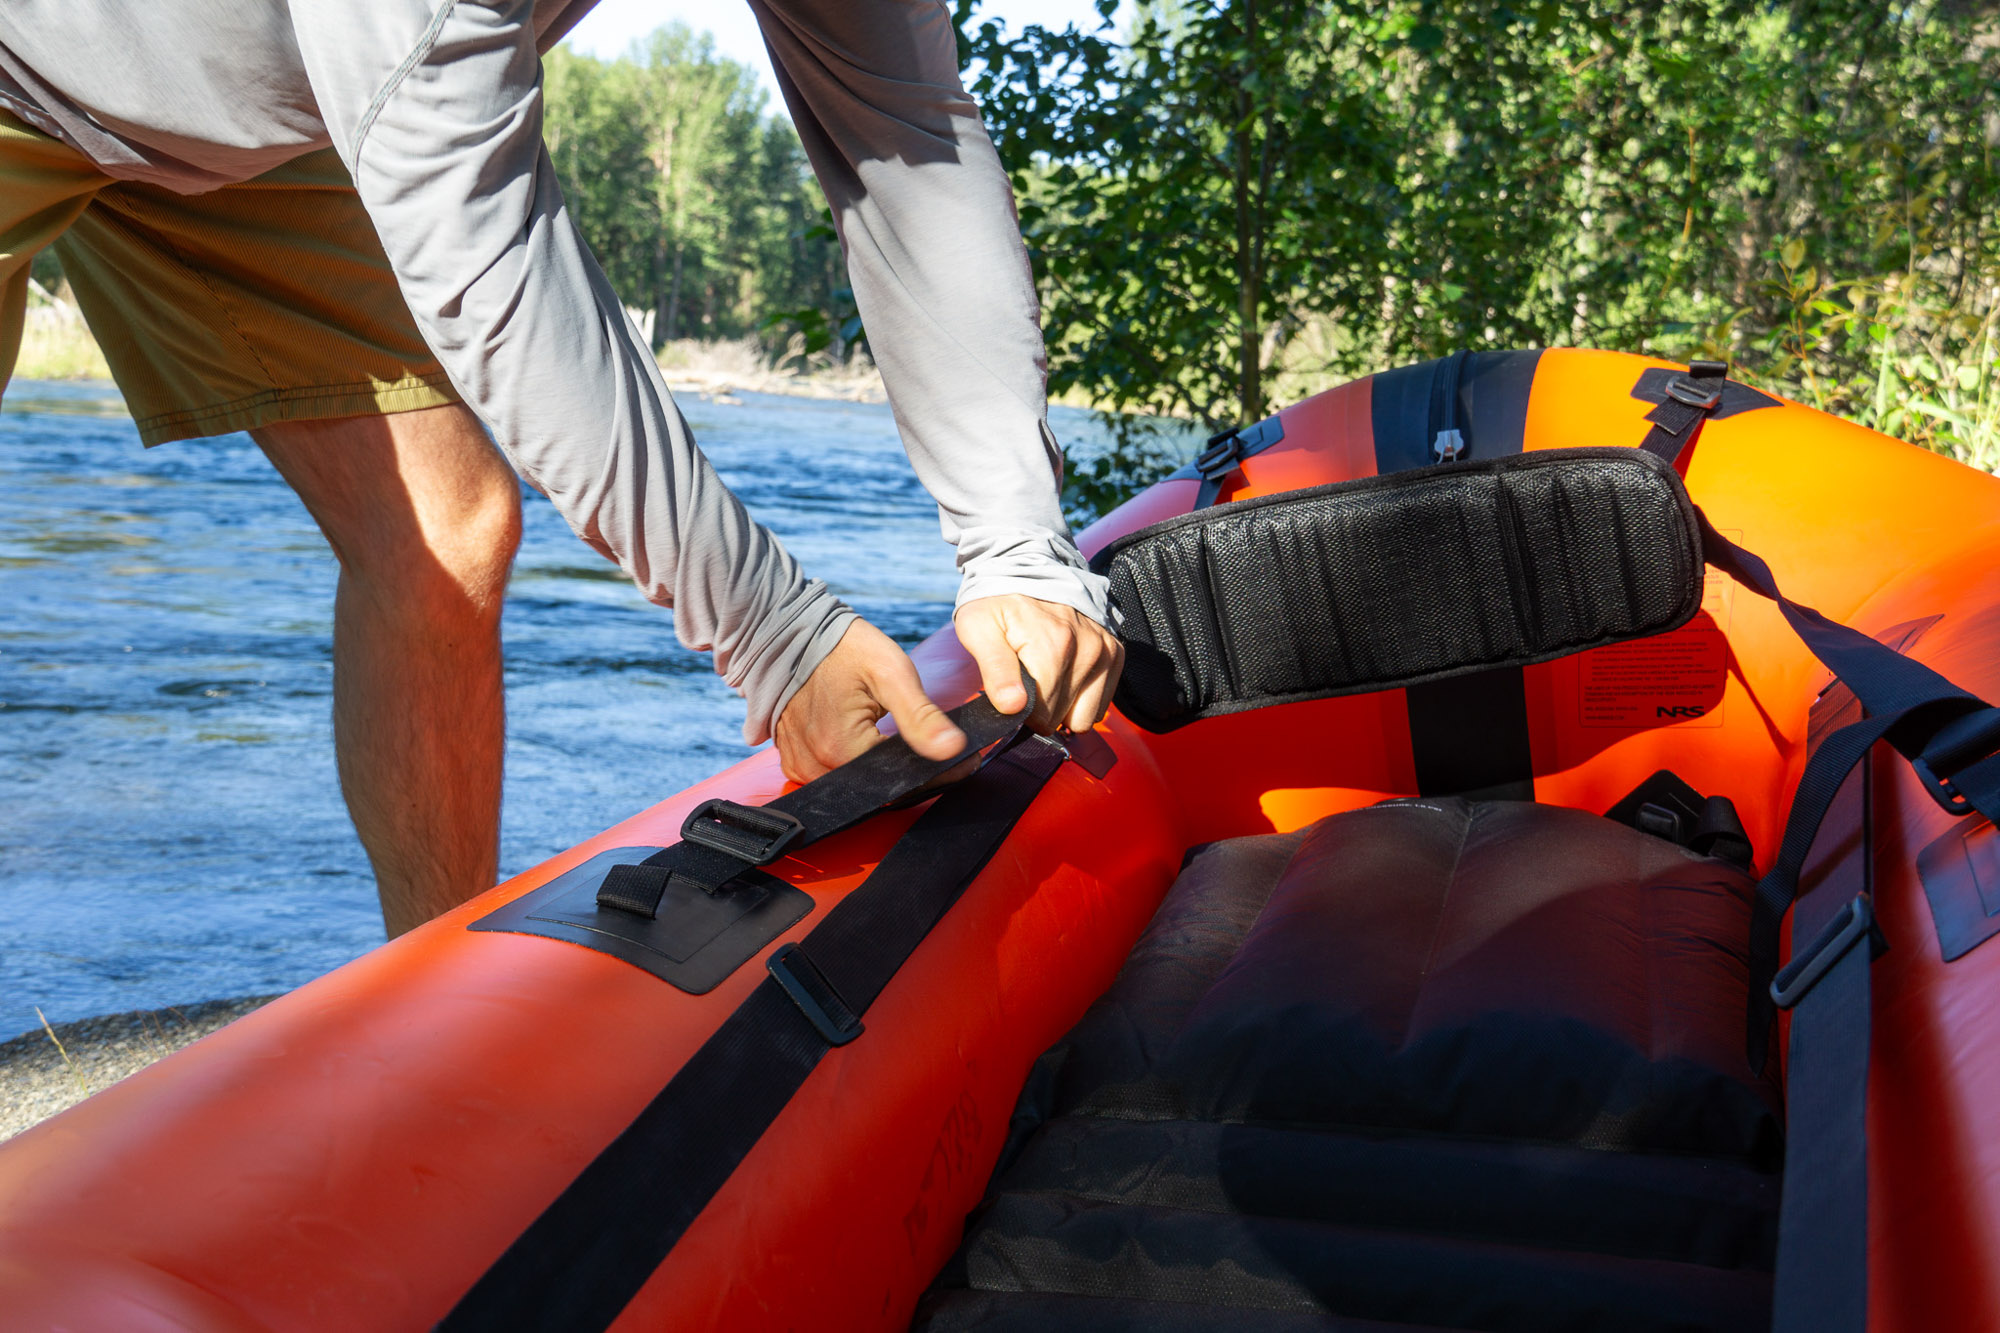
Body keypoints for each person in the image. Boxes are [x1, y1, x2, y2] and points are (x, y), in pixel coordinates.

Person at [0, 0, 1122, 936]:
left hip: (275, 118)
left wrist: (1017, 545)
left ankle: (426, 1007)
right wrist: (774, 637)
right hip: (31, 69)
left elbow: (907, 133)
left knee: (450, 532)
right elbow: (480, 237)